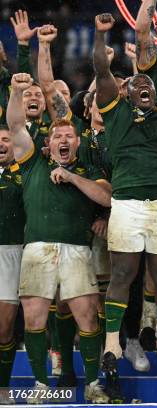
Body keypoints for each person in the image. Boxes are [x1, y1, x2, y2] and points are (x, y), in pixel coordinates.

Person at [92, 13, 157, 401]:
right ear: (126, 92)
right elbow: (101, 70)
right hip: (127, 203)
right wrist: (101, 36)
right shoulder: (113, 113)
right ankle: (112, 344)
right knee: (124, 273)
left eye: (150, 82)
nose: (144, 84)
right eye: (137, 82)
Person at [8, 72, 112, 404]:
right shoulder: (31, 164)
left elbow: (106, 199)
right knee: (35, 319)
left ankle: (93, 384)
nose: (63, 141)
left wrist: (69, 176)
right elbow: (14, 126)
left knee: (87, 318)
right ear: (48, 144)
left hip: (77, 251)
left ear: (77, 142)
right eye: (58, 137)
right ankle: (40, 385)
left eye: (69, 136)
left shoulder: (88, 171)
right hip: (37, 249)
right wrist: (15, 91)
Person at [0, 125, 25, 404]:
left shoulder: (25, 174)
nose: (1, 144)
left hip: (11, 252)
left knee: (4, 329)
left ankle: (2, 386)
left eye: (6, 139)